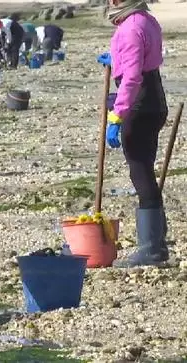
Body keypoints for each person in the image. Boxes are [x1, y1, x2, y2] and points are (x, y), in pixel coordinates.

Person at [100, 0, 168, 267]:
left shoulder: (130, 27)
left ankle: (151, 248)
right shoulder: (146, 20)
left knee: (140, 171)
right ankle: (158, 241)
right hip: (155, 101)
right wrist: (114, 59)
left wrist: (117, 115)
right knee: (146, 169)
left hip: (140, 105)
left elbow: (131, 78)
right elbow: (144, 57)